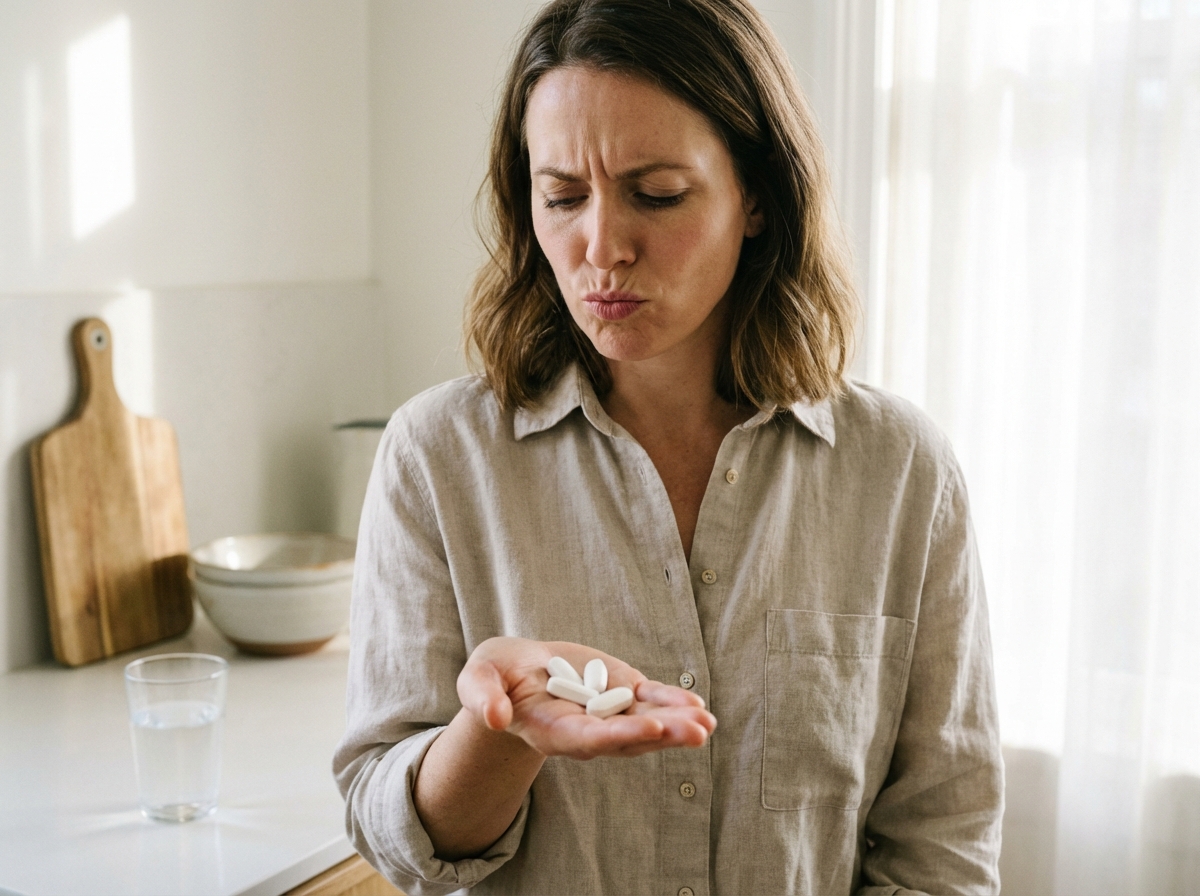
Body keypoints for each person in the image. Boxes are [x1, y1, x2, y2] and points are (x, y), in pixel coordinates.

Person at [333, 0, 1004, 893]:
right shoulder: (436, 459)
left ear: (758, 196)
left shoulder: (901, 472)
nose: (602, 247)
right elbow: (394, 835)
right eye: (562, 196)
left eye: (656, 194)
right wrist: (495, 731)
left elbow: (944, 845)